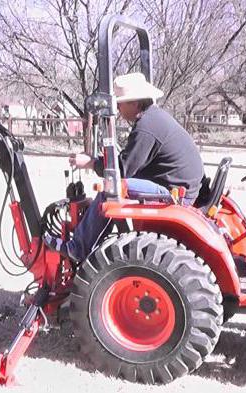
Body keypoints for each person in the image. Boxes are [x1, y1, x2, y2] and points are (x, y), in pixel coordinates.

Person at [44, 72, 204, 262]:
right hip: (181, 186)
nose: (118, 108)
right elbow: (133, 162)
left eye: (120, 103)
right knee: (115, 188)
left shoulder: (146, 127)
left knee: (111, 189)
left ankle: (78, 247)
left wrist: (90, 163)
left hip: (174, 193)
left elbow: (122, 170)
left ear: (135, 103)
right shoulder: (154, 118)